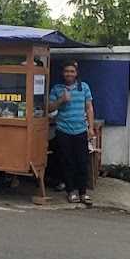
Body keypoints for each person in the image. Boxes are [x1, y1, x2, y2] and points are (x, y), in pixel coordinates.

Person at [48, 61, 95, 205]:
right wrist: (61, 99)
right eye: (67, 71)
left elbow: (89, 108)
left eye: (72, 71)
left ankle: (83, 193)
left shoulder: (84, 87)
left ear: (76, 73)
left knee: (82, 162)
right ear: (63, 73)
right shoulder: (57, 89)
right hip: (63, 130)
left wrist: (91, 128)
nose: (69, 74)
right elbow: (49, 108)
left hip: (80, 130)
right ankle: (70, 192)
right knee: (67, 162)